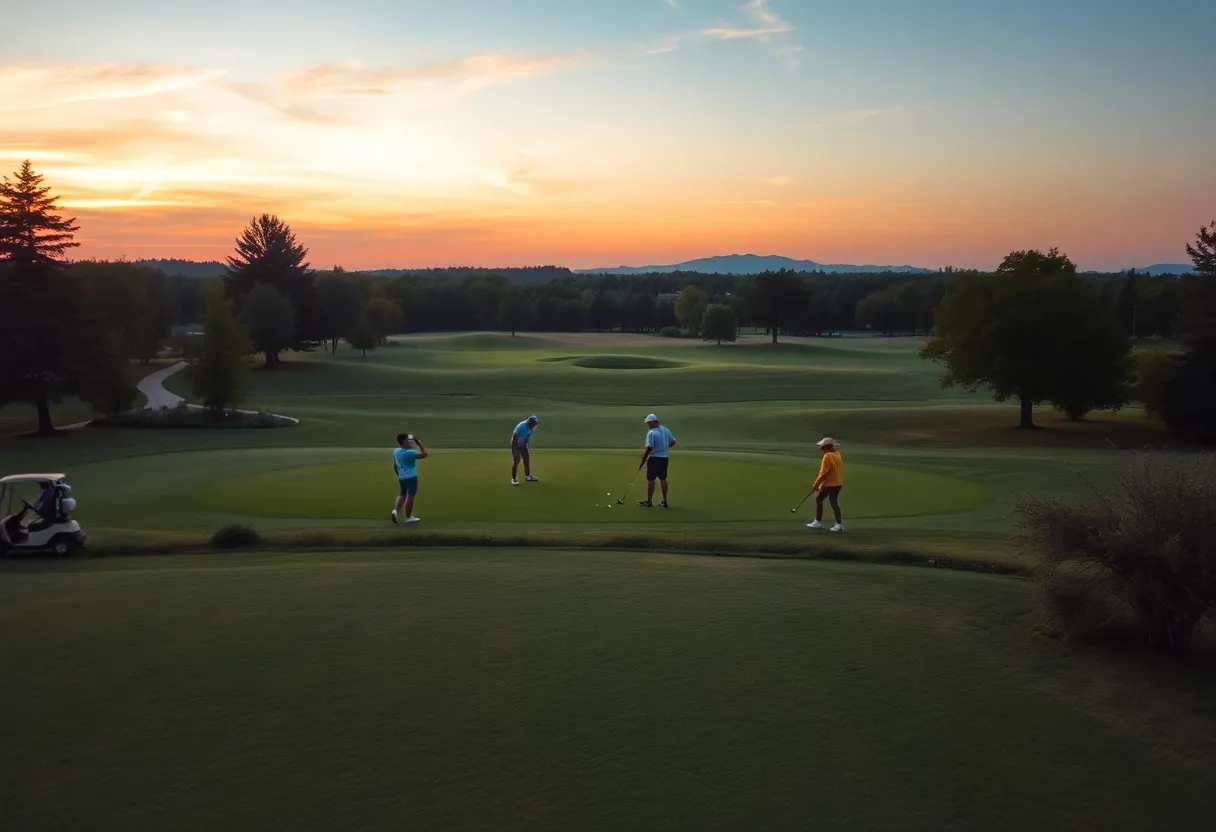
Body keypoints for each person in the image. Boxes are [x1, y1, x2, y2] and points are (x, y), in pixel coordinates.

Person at [639, 413, 676, 508]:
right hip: (664, 458)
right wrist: (664, 448)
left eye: (648, 423)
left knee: (651, 479)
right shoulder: (665, 430)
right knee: (663, 478)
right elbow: (673, 441)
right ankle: (664, 501)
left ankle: (649, 501)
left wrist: (643, 461)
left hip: (655, 458)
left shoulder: (651, 433)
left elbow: (648, 449)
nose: (648, 425)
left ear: (652, 422)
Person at [807, 437, 844, 532]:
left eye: (823, 448)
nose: (822, 450)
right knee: (831, 501)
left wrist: (816, 484)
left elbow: (823, 473)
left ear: (827, 447)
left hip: (830, 484)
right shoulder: (837, 454)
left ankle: (818, 522)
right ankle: (838, 525)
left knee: (821, 499)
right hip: (838, 483)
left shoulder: (827, 456)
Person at [391, 432, 428, 524]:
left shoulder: (396, 451)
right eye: (408, 440)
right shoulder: (410, 453)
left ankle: (395, 511)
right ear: (404, 442)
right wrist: (419, 443)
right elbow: (424, 454)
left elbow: (395, 466)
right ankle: (408, 517)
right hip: (411, 477)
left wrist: (399, 474)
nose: (410, 442)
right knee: (410, 497)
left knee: (402, 495)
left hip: (402, 477)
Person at [510, 414, 540, 486]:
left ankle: (528, 477)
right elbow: (514, 436)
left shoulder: (530, 428)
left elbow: (527, 437)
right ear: (530, 422)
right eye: (534, 424)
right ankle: (513, 479)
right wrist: (517, 446)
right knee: (516, 461)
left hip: (523, 444)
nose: (534, 426)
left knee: (526, 458)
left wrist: (527, 446)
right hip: (515, 444)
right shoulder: (521, 426)